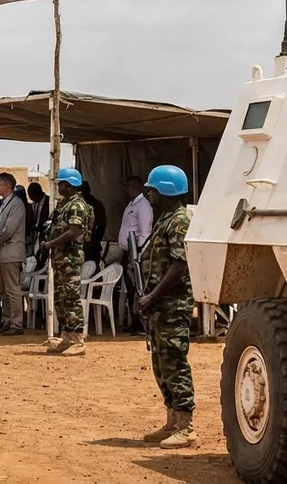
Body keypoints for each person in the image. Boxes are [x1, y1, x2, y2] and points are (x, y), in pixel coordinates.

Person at [136, 165, 197, 449]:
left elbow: (180, 264)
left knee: (175, 362)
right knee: (161, 365)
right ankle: (172, 421)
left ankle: (186, 426)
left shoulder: (179, 221)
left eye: (152, 189)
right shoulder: (167, 219)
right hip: (161, 306)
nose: (148, 194)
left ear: (164, 190)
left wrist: (153, 296)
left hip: (173, 306)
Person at [39, 168, 94, 356]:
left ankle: (78, 339)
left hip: (70, 259)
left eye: (61, 184)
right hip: (61, 259)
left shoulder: (77, 205)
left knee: (71, 299)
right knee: (61, 299)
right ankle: (67, 337)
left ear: (69, 185)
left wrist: (51, 244)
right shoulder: (65, 204)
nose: (59, 187)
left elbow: (74, 231)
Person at [117, 175, 154, 333]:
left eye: (127, 187)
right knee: (131, 289)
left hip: (136, 252)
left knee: (139, 288)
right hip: (127, 251)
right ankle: (135, 321)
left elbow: (145, 233)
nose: (125, 190)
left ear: (133, 187)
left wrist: (138, 255)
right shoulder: (132, 205)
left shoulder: (143, 206)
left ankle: (141, 324)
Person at [0, 173, 27, 335]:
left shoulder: (16, 204)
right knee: (3, 290)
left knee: (12, 289)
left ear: (8, 186)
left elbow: (8, 230)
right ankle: (7, 319)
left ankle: (17, 323)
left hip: (11, 252)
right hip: (2, 253)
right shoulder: (4, 203)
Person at [79, 181, 108, 266]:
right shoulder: (80, 204)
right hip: (83, 247)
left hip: (91, 246)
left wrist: (95, 241)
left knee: (93, 271)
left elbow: (101, 225)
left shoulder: (95, 205)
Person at [27, 182, 51, 258]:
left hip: (44, 235)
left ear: (38, 193)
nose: (31, 198)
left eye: (32, 195)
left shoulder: (49, 202)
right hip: (35, 235)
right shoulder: (34, 204)